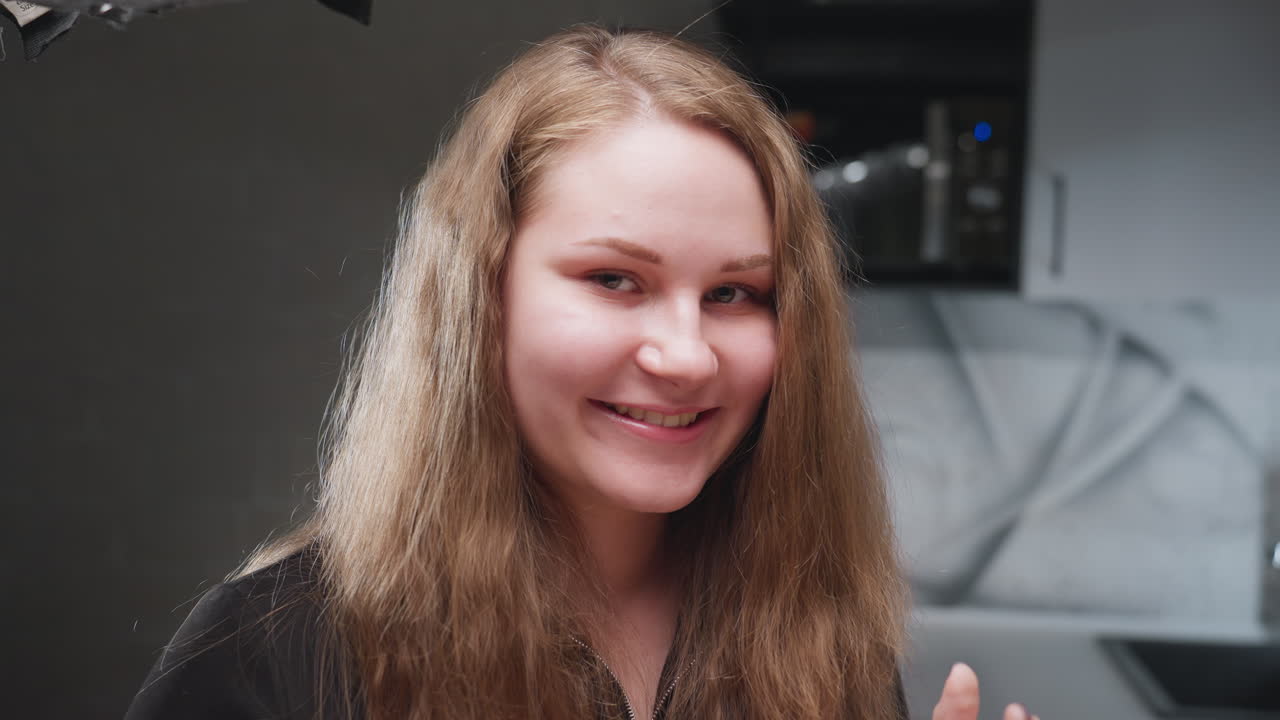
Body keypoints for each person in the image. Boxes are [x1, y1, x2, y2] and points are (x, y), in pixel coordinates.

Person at [125, 24, 1035, 720]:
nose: (685, 355)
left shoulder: (825, 647)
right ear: (481, 296)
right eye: (614, 280)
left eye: (736, 293)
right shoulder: (271, 657)